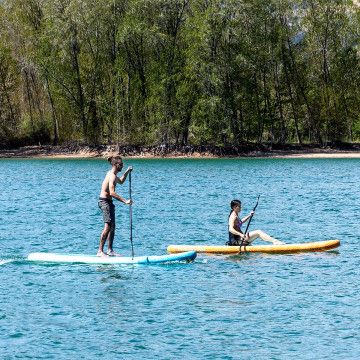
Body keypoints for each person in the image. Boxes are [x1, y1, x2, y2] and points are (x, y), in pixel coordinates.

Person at [98, 156, 133, 257]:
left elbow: (121, 181)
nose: (122, 166)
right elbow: (112, 192)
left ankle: (110, 250)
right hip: (104, 202)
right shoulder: (112, 176)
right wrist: (125, 201)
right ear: (115, 165)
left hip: (108, 202)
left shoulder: (113, 174)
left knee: (112, 226)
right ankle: (100, 251)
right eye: (121, 165)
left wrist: (127, 171)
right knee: (108, 226)